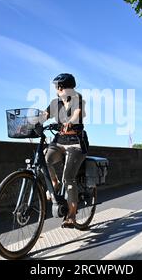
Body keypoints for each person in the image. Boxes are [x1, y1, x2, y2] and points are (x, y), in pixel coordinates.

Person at [42, 73, 88, 228]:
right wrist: (31, 122)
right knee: (44, 158)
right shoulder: (55, 103)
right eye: (58, 87)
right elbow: (44, 115)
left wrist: (69, 122)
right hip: (60, 141)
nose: (58, 89)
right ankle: (54, 183)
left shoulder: (78, 100)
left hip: (75, 143)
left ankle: (72, 215)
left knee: (68, 178)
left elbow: (77, 114)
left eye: (60, 87)